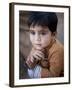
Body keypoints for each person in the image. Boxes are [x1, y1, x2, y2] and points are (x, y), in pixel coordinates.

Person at [26, 12, 64, 78]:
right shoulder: (38, 44)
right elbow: (29, 64)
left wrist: (34, 67)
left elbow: (53, 76)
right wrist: (32, 60)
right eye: (33, 33)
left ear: (53, 35)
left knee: (32, 71)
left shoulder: (58, 51)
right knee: (30, 70)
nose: (36, 39)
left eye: (43, 33)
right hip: (43, 70)